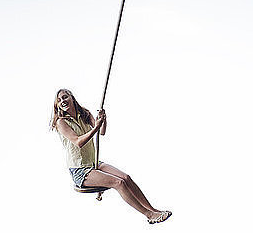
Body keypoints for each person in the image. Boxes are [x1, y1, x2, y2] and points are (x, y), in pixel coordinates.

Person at [51, 88, 171, 224]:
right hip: (80, 170)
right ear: (57, 105)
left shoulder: (84, 113)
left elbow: (101, 132)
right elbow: (79, 142)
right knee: (118, 183)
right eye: (59, 100)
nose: (63, 101)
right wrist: (95, 127)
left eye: (65, 97)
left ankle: (154, 210)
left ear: (72, 98)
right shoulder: (61, 122)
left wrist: (102, 120)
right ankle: (149, 215)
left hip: (94, 162)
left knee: (126, 178)